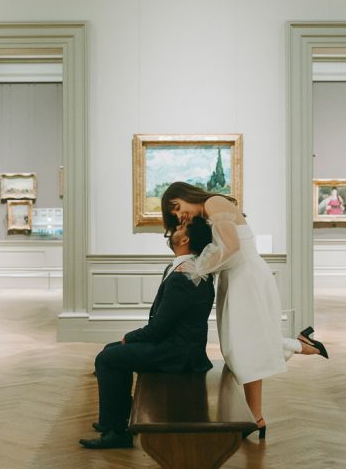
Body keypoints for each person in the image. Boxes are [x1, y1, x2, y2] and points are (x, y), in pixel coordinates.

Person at [161, 181, 328, 440]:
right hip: (233, 279)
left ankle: (257, 416)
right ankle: (298, 345)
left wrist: (197, 269)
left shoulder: (213, 203)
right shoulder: (205, 213)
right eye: (174, 215)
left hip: (246, 278)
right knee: (238, 347)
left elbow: (232, 247)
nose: (179, 215)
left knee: (246, 347)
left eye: (176, 207)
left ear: (184, 195)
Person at [80, 216, 216, 450]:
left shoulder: (184, 275)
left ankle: (117, 433)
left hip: (178, 354)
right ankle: (114, 422)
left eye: (181, 227)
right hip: (178, 347)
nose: (174, 229)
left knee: (108, 358)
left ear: (185, 239)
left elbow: (158, 328)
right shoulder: (187, 269)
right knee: (110, 351)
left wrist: (130, 337)